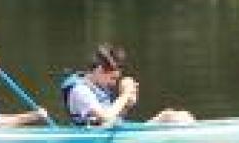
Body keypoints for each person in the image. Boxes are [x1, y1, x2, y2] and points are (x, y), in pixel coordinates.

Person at [59, 44, 192, 128]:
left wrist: (127, 105)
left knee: (172, 115)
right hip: (94, 140)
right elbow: (105, 117)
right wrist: (124, 95)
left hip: (108, 135)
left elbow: (112, 120)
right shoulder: (80, 90)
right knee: (174, 118)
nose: (114, 83)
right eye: (113, 78)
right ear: (99, 70)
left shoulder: (98, 87)